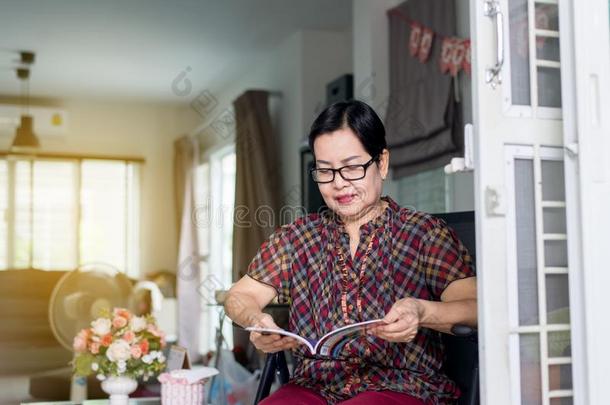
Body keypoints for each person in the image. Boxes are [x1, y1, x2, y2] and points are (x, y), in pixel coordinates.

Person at [224, 100, 477, 405]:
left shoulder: (424, 233)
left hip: (402, 386)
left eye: (353, 167)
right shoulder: (298, 238)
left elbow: (476, 306)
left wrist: (422, 311)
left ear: (381, 162)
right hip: (315, 386)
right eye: (326, 171)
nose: (339, 183)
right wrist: (256, 320)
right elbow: (237, 297)